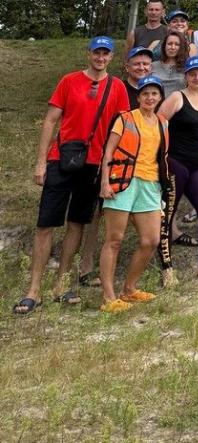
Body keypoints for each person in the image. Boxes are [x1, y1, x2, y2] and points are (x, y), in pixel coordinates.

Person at [14, 37, 130, 315]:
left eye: (105, 54)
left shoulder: (117, 87)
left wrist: (111, 169)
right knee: (46, 224)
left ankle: (62, 284)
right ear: (88, 54)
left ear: (111, 57)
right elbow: (50, 120)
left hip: (94, 164)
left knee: (76, 223)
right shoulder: (69, 81)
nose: (100, 58)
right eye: (96, 53)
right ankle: (33, 290)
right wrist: (41, 163)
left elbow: (122, 128)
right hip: (61, 159)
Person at [96, 74, 168, 313]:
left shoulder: (163, 123)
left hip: (150, 184)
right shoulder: (125, 119)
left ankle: (129, 288)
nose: (150, 98)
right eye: (145, 93)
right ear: (138, 97)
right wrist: (105, 183)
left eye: (154, 94)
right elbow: (108, 152)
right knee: (114, 239)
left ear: (160, 97)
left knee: (151, 240)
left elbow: (162, 156)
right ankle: (108, 298)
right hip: (123, 181)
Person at [157, 55, 198, 283]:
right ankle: (167, 268)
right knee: (168, 214)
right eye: (192, 74)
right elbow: (157, 124)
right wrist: (161, 159)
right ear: (186, 76)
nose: (197, 77)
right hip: (176, 163)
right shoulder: (177, 97)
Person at [152, 31, 188, 96]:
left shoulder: (187, 67)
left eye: (177, 44)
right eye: (169, 44)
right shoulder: (152, 65)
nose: (172, 47)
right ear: (164, 46)